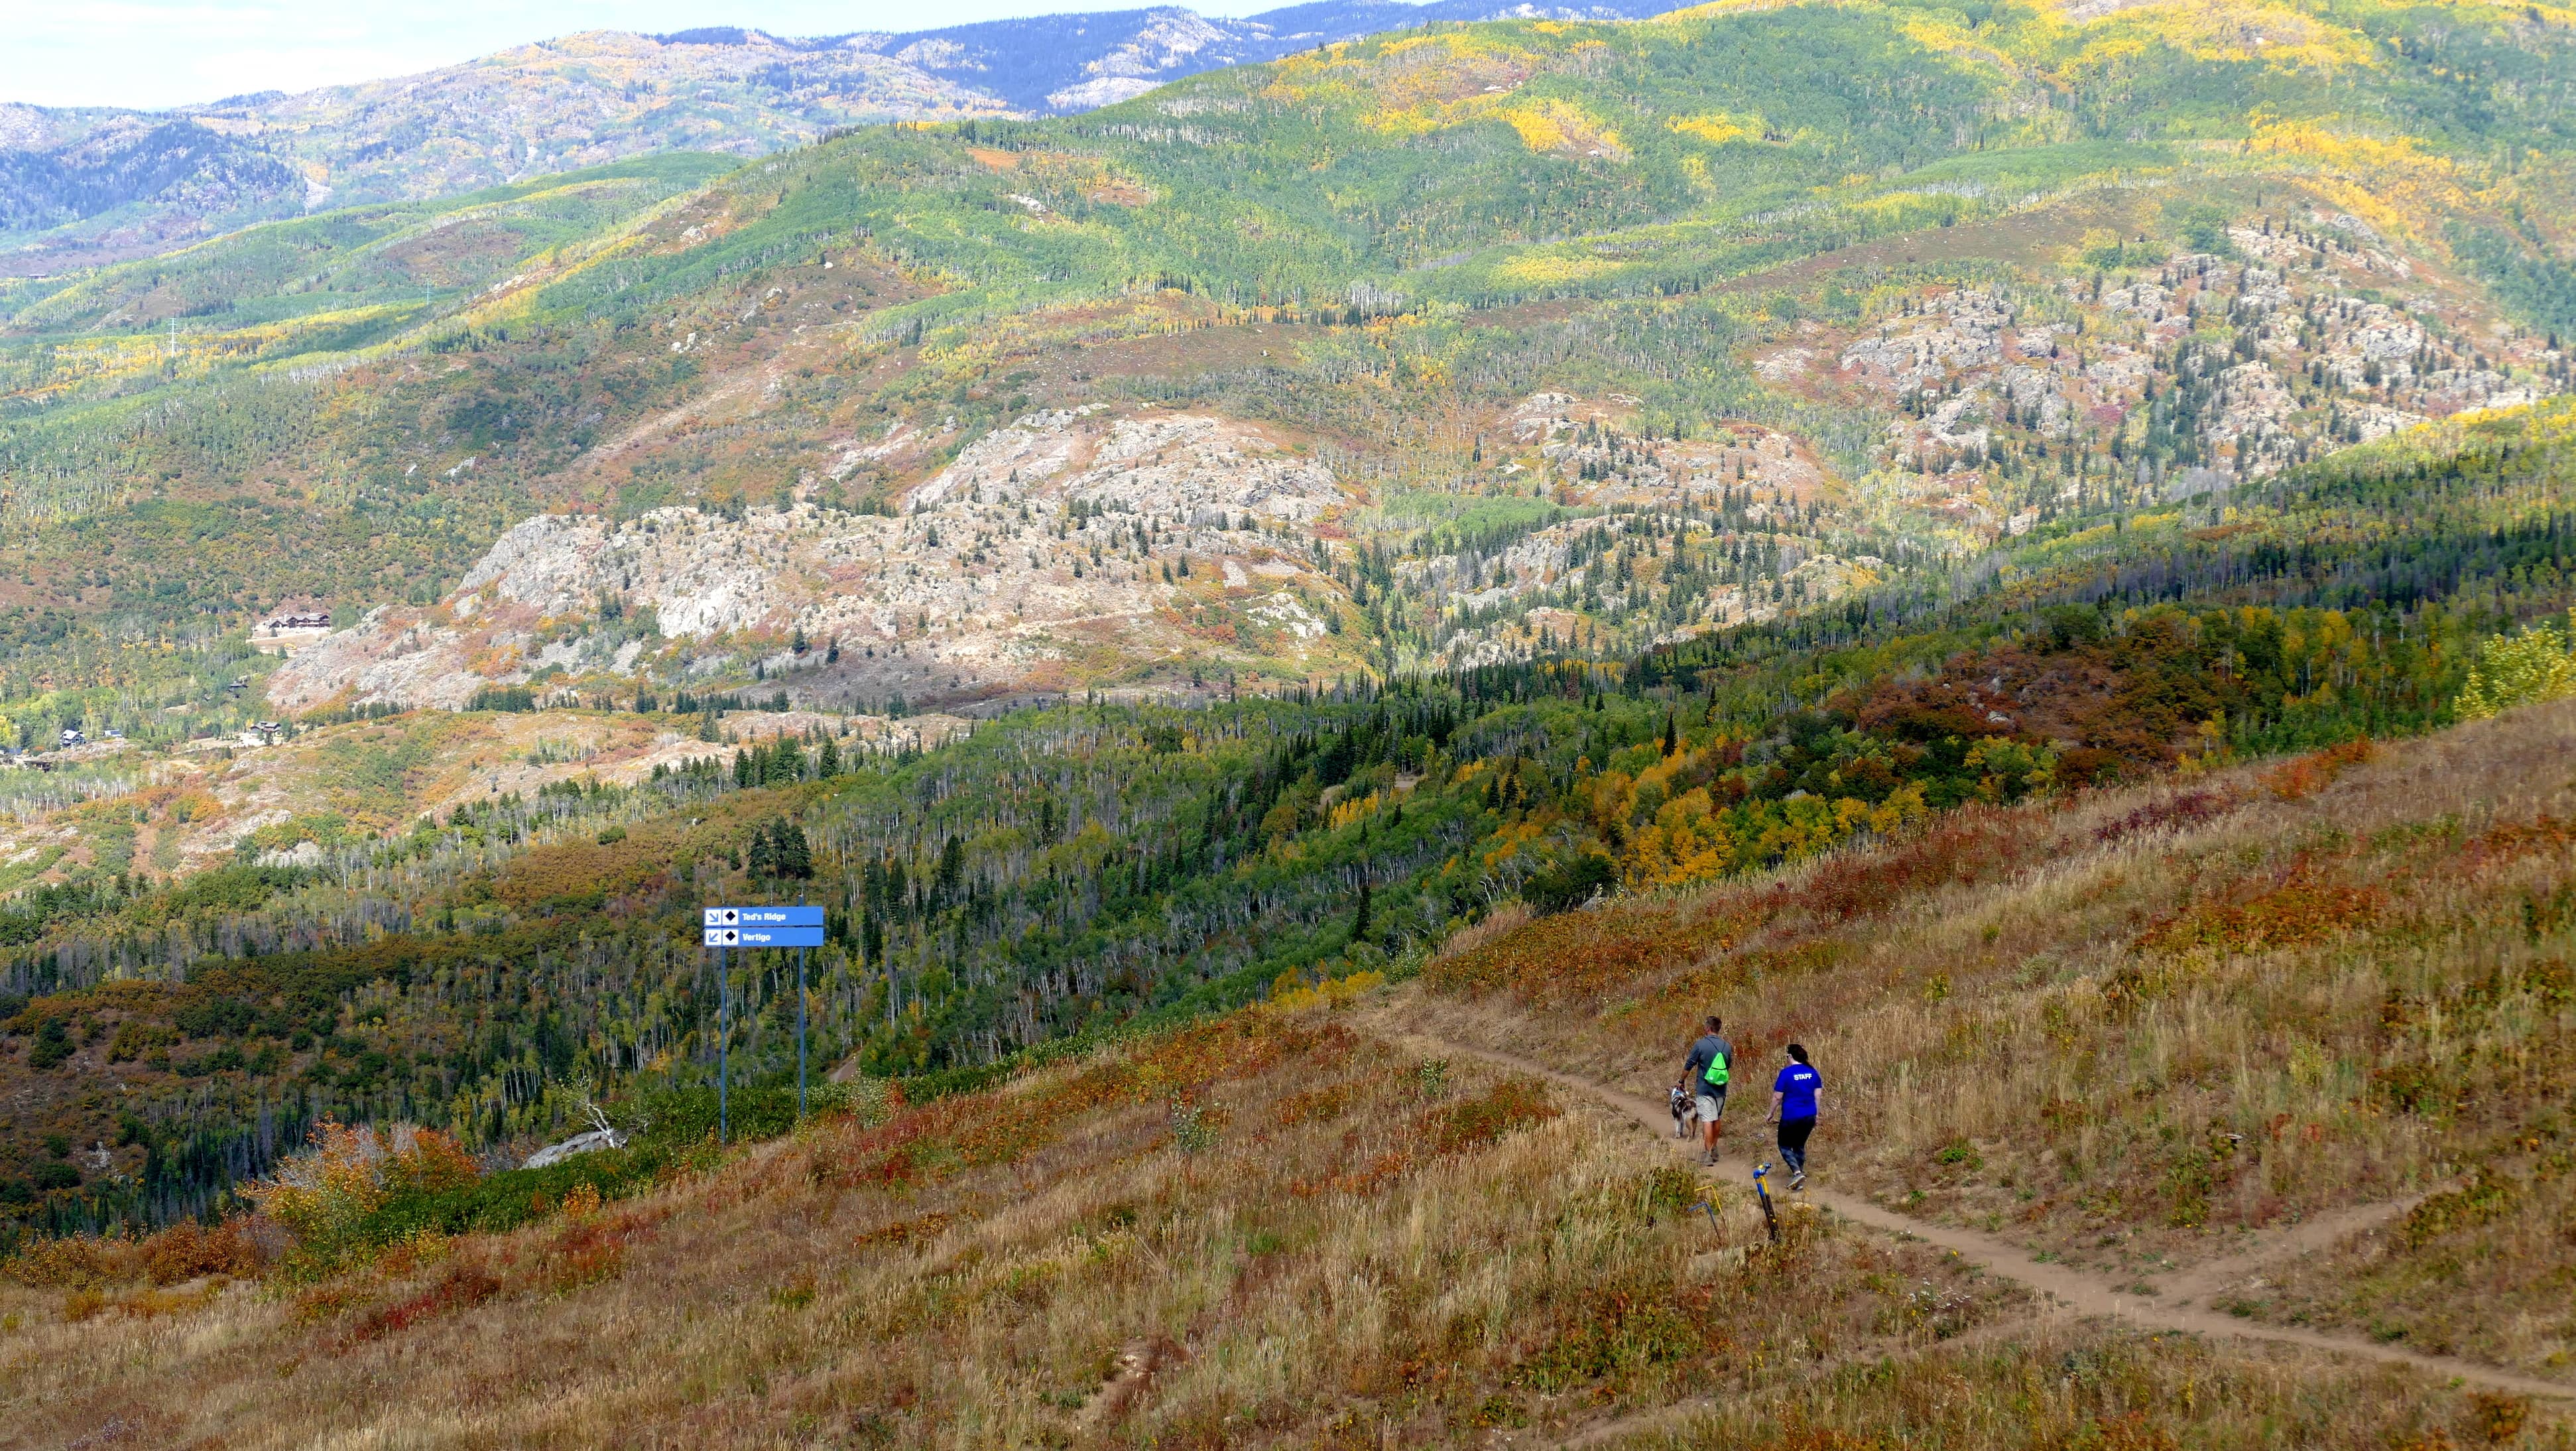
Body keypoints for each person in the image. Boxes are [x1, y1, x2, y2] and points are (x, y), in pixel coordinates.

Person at [1676, 1015, 1732, 1167]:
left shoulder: (1700, 1045)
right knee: (1717, 1118)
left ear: (1707, 1028)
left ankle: (1708, 1155)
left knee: (1707, 1120)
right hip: (1721, 1088)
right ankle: (1714, 1149)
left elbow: (1689, 1065)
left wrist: (1681, 1081)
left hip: (1705, 1088)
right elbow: (1728, 1065)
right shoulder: (1726, 1046)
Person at [1772, 1043, 1823, 1190]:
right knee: (1799, 1145)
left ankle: (1797, 1172)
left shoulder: (1786, 1073)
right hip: (1809, 1115)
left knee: (1784, 1145)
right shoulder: (1813, 1072)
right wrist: (1816, 1115)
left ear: (1790, 1056)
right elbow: (1818, 1095)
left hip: (1791, 1116)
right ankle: (1799, 1178)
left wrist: (1770, 1113)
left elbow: (1777, 1097)